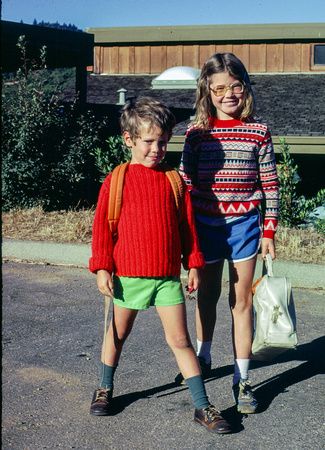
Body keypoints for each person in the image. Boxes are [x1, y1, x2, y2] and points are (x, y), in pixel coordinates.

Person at [89, 97, 232, 434]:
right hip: (128, 277)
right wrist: (103, 268)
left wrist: (193, 263)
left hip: (168, 278)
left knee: (181, 341)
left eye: (163, 142)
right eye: (149, 142)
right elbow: (102, 229)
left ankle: (202, 406)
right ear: (129, 140)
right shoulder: (118, 178)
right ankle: (105, 387)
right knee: (118, 333)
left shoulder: (173, 179)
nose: (157, 149)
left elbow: (187, 226)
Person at [178, 53, 279, 414]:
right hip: (204, 228)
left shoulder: (259, 131)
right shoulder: (195, 134)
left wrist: (269, 230)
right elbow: (185, 186)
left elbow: (270, 184)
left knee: (241, 304)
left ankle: (243, 378)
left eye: (235, 86)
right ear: (207, 90)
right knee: (206, 297)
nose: (228, 94)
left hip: (245, 229)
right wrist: (185, 234)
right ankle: (203, 359)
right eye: (219, 87)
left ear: (245, 87)